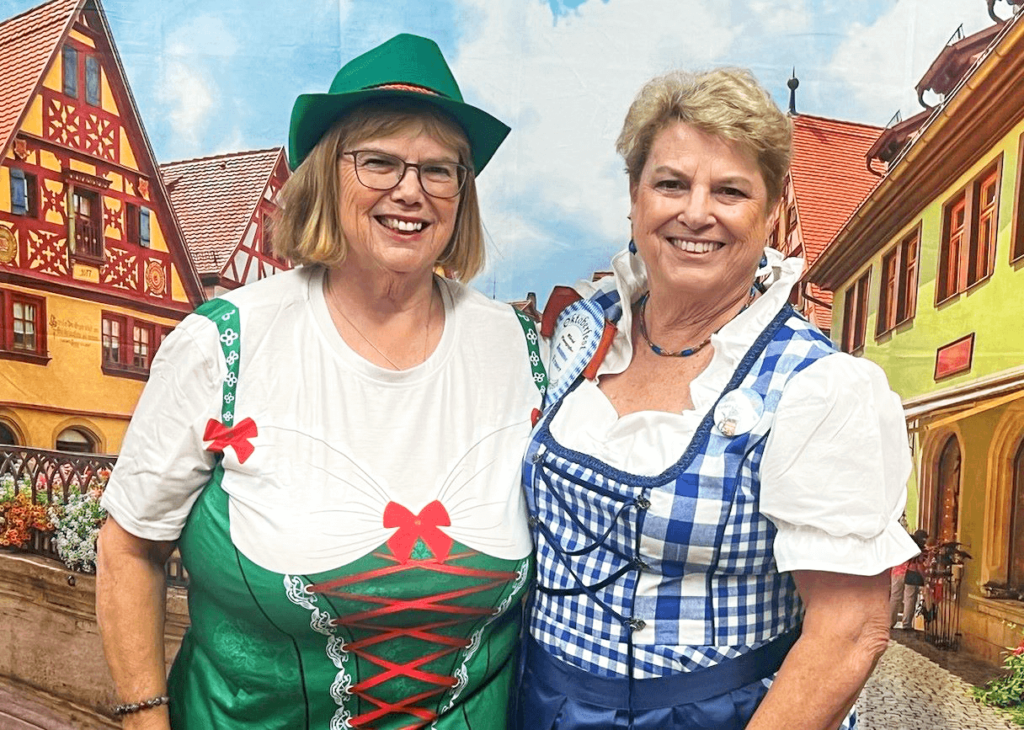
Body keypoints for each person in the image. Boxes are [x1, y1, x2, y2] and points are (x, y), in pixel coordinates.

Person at [96, 34, 543, 730]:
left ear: (463, 193)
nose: (410, 191)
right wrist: (142, 717)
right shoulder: (224, 344)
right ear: (325, 177)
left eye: (438, 170)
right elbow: (129, 547)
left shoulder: (517, 349)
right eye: (379, 162)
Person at [515, 68, 920, 730]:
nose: (695, 212)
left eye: (729, 191)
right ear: (635, 199)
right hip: (542, 702)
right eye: (671, 183)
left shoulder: (815, 386)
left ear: (767, 216)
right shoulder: (587, 327)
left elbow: (849, 629)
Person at [891, 529, 928, 630]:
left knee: (895, 597)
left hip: (897, 571)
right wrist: (925, 578)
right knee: (910, 598)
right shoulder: (920, 550)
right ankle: (906, 624)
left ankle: (890, 623)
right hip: (911, 573)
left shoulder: (903, 545)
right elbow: (920, 564)